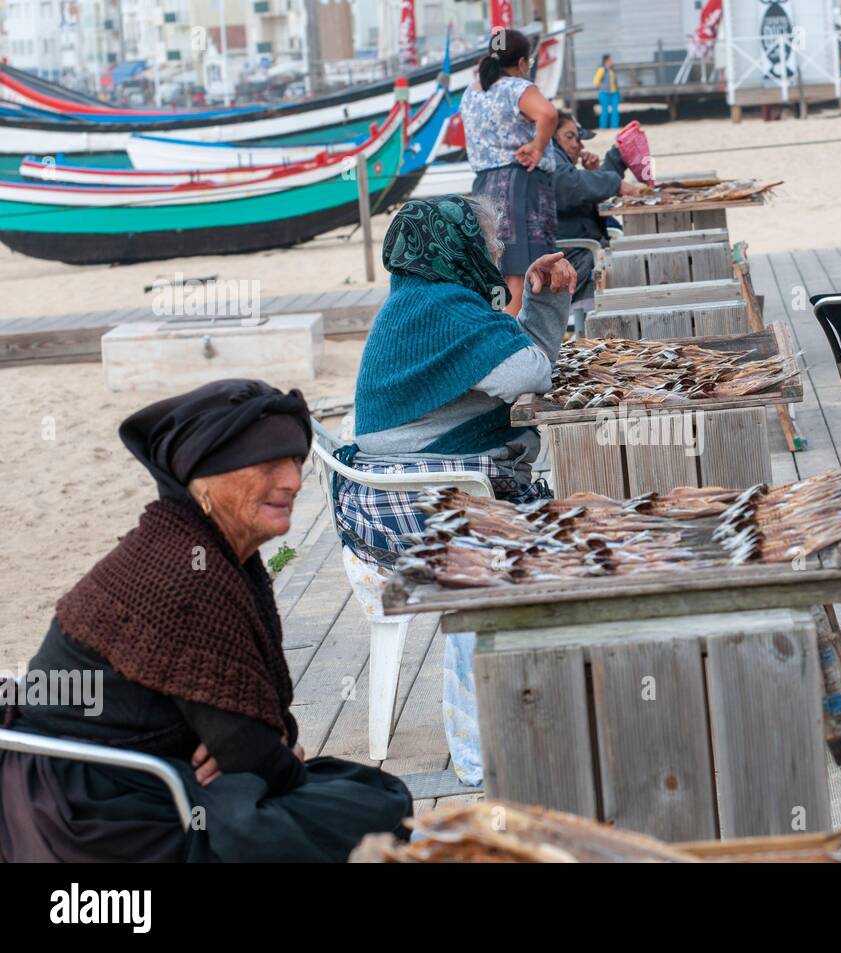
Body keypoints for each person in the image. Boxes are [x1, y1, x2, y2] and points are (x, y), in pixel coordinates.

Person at [0, 380, 412, 862]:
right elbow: (250, 750)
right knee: (372, 805)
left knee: (357, 790)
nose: (293, 482)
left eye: (296, 461)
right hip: (94, 812)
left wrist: (260, 745)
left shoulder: (199, 545)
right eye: (268, 466)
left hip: (120, 776)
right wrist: (264, 749)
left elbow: (249, 734)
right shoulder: (185, 571)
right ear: (204, 479)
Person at [338, 196, 576, 784]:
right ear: (458, 245)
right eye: (487, 238)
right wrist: (541, 309)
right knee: (554, 544)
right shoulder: (440, 308)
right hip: (405, 513)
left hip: (397, 497)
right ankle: (489, 748)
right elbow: (527, 372)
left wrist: (543, 302)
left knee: (559, 525)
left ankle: (538, 711)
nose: (496, 251)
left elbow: (526, 361)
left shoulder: (426, 300)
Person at [461, 27, 559, 317]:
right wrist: (538, 146)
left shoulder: (471, 93)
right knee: (518, 268)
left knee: (495, 265)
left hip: (483, 186)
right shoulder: (517, 87)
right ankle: (512, 336)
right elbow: (549, 114)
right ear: (521, 63)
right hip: (518, 184)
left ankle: (495, 326)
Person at [551, 109, 644, 299]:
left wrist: (597, 172)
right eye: (569, 137)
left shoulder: (557, 161)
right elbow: (569, 184)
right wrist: (614, 182)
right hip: (574, 260)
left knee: (638, 257)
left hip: (578, 254)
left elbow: (580, 192)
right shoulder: (552, 158)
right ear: (552, 136)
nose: (577, 145)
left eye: (578, 139)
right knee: (641, 266)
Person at [593, 53, 620, 129]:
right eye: (611, 59)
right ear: (606, 60)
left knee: (615, 111)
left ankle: (614, 126)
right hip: (604, 93)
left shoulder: (611, 70)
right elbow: (596, 81)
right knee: (604, 111)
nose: (612, 61)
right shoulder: (602, 69)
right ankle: (603, 127)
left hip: (614, 92)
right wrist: (602, 87)